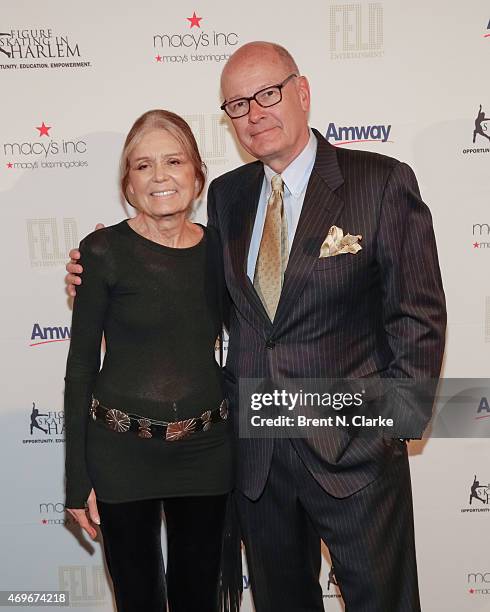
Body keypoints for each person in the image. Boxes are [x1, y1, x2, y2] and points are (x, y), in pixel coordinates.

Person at [66, 42, 447, 611]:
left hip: (354, 458)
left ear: (303, 91)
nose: (255, 113)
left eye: (268, 94)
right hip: (256, 461)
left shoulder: (381, 182)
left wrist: (381, 432)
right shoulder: (229, 196)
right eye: (238, 104)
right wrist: (104, 266)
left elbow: (419, 319)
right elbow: (193, 298)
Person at [64, 109, 235, 612]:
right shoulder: (101, 253)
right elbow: (79, 371)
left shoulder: (223, 252)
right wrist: (77, 480)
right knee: (137, 599)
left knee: (197, 597)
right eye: (142, 166)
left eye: (174, 160)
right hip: (121, 453)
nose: (160, 175)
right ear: (128, 186)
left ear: (197, 176)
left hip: (206, 452)